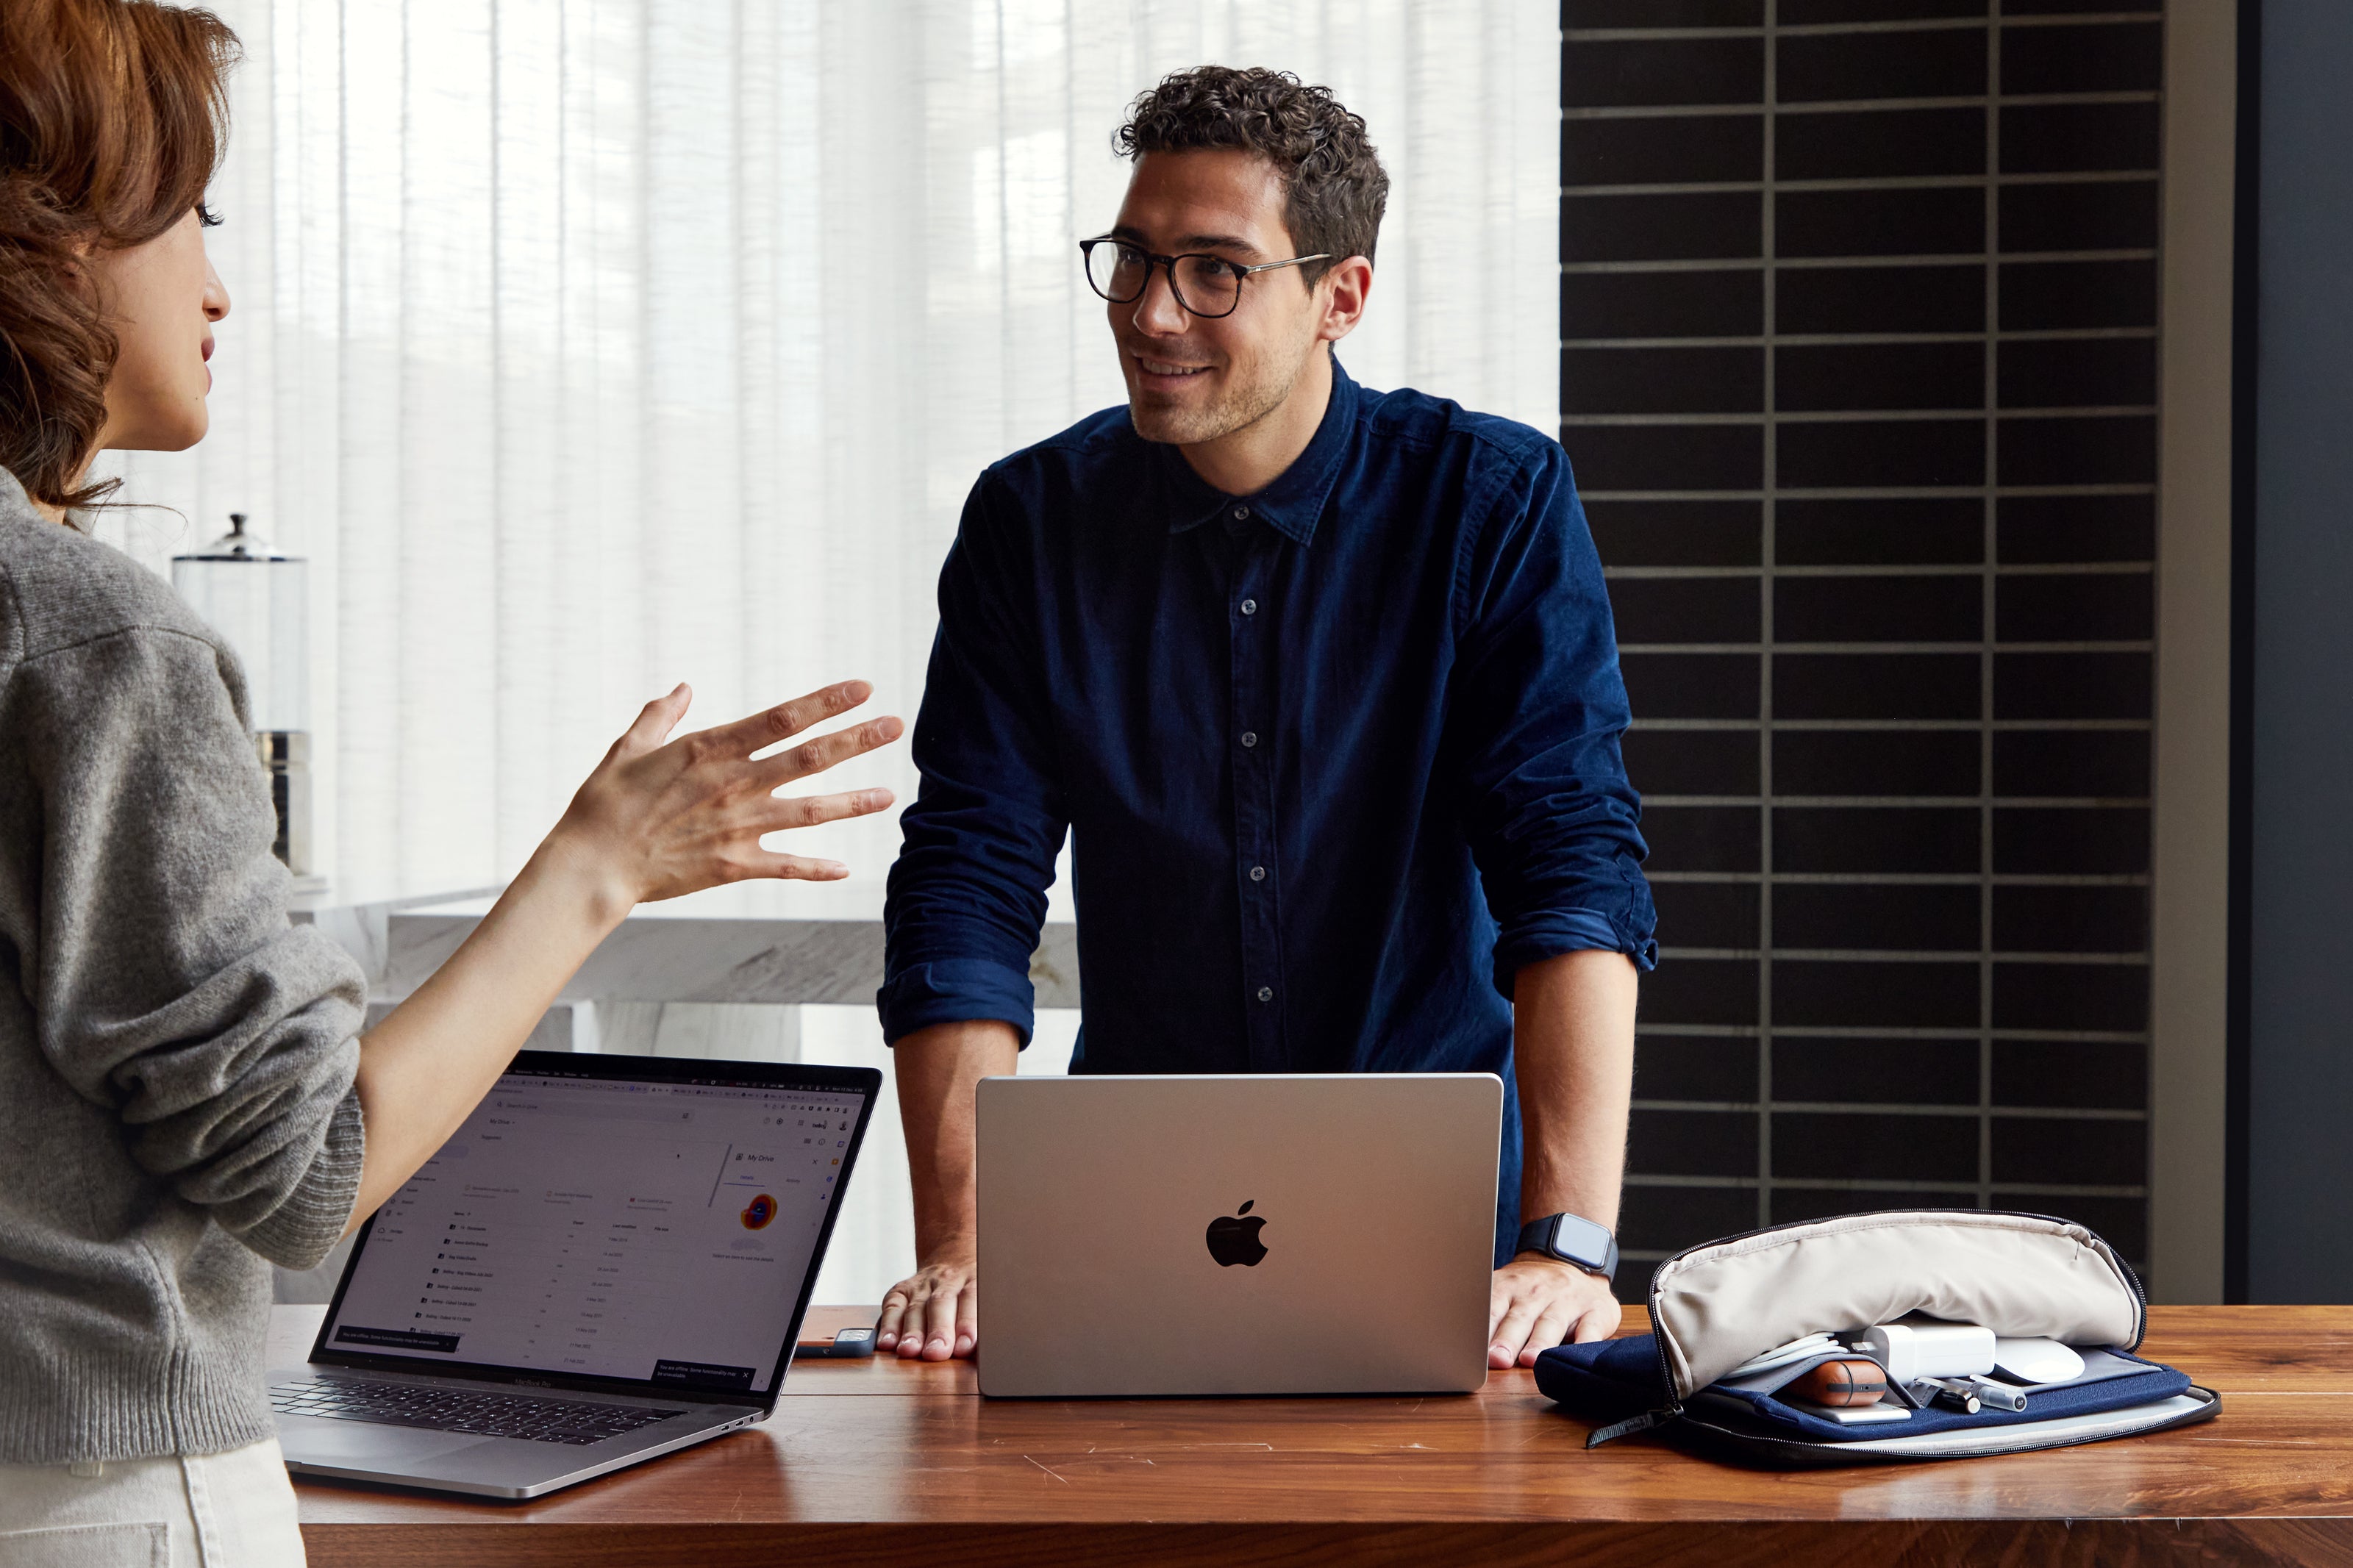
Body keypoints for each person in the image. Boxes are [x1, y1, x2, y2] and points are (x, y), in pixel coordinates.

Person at [0, 2, 900, 1560]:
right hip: (95, 1498)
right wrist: (595, 868)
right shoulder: (91, 637)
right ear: (55, 230)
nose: (216, 284)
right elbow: (303, 1175)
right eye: (190, 214)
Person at [875, 65, 1654, 1371]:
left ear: (1339, 294)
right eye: (1132, 258)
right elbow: (968, 880)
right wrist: (963, 1239)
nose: (1150, 309)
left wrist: (1566, 1242)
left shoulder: (1492, 499)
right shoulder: (1030, 523)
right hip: (1117, 1223)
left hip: (1442, 1237)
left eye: (1213, 270)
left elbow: (1570, 865)